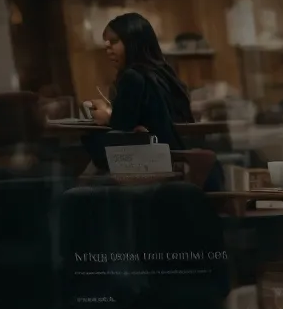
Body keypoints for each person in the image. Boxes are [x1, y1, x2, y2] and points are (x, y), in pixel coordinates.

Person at [83, 13, 221, 190]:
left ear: (133, 42)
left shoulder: (132, 77)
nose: (108, 48)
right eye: (106, 42)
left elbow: (121, 128)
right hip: (183, 166)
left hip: (157, 170)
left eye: (114, 41)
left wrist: (106, 115)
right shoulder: (164, 73)